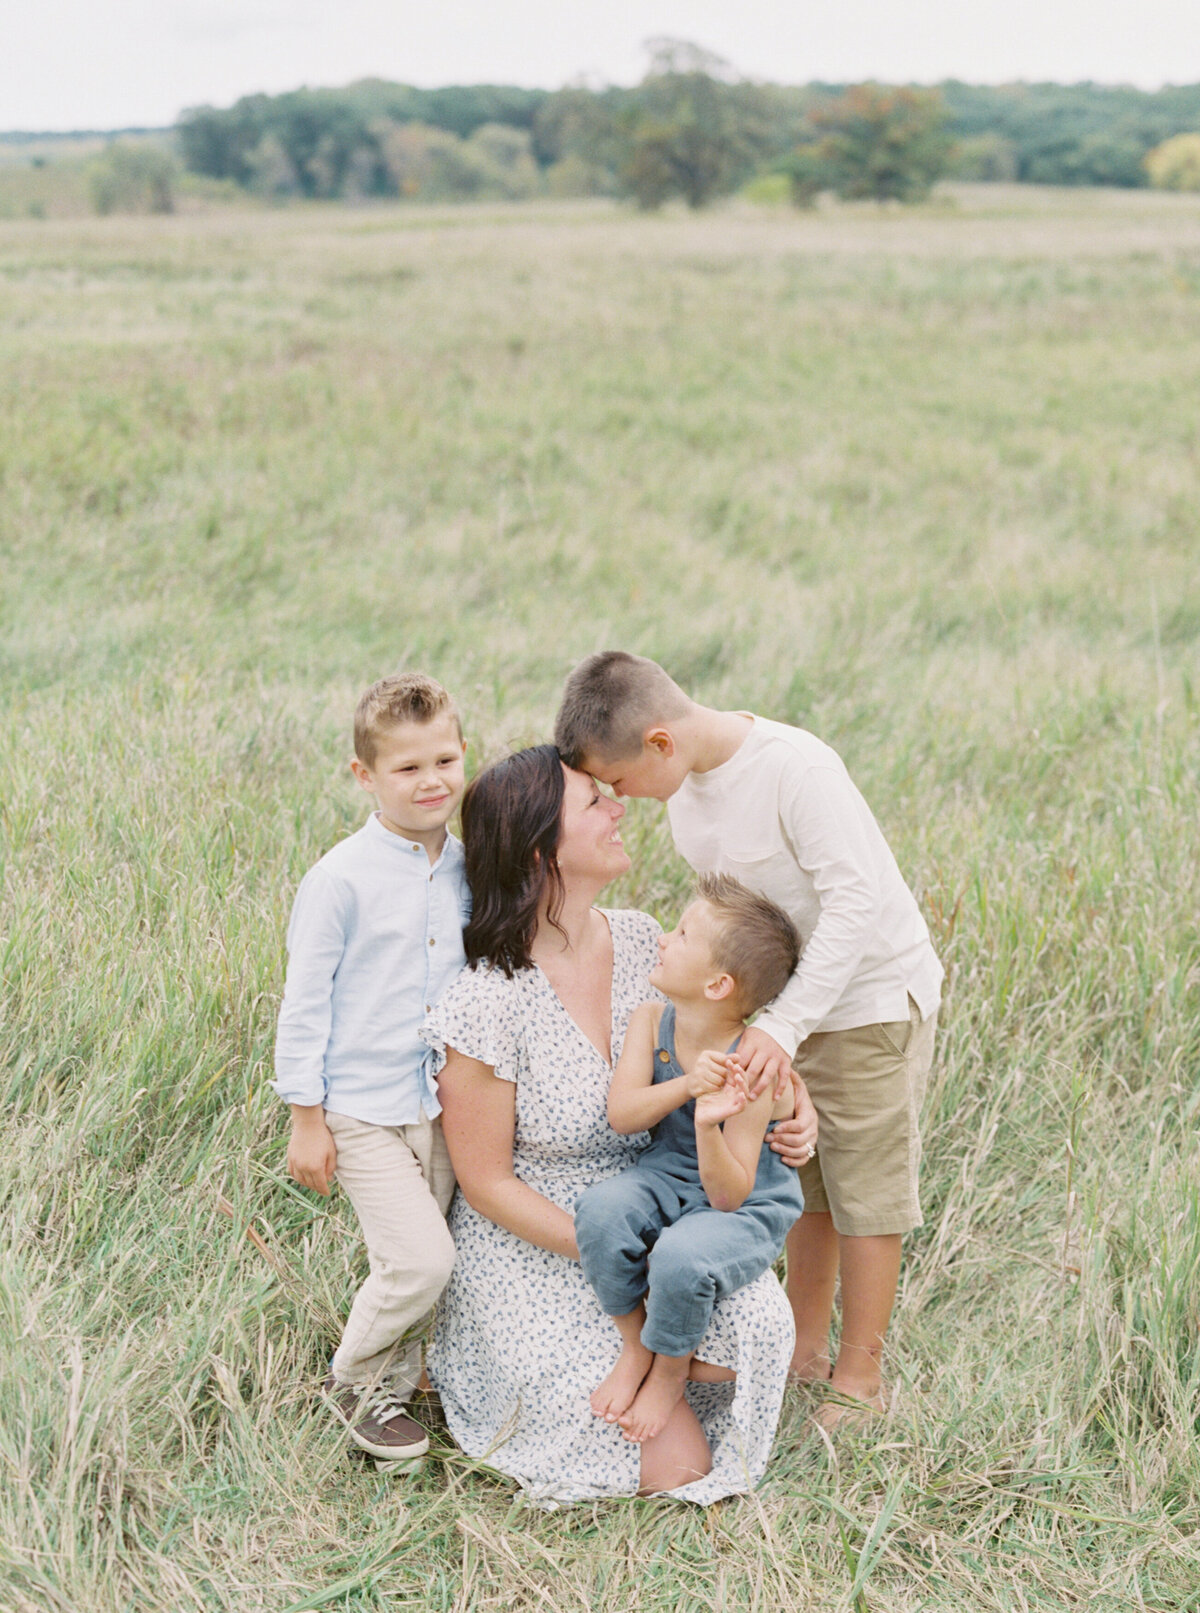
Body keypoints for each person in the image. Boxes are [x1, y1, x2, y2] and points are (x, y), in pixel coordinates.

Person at [555, 652, 943, 1426]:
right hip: (776, 1015)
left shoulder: (795, 768)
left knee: (864, 1186)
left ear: (660, 742)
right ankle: (803, 1348)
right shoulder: (687, 801)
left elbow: (855, 900)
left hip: (865, 1002)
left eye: (619, 779)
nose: (619, 799)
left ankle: (860, 1374)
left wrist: (785, 1026)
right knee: (804, 1180)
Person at [422, 746, 803, 1503]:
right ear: (541, 850)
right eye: (593, 802)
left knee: (757, 1322)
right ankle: (641, 1358)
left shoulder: (643, 940)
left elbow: (726, 1035)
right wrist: (615, 1249)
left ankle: (668, 1357)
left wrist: (790, 1102)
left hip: (662, 1194)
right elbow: (486, 1181)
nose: (618, 807)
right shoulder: (486, 997)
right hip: (537, 1235)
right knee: (676, 1462)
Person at [273, 672, 469, 1466]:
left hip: (442, 1101)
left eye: (446, 760)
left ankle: (410, 1376)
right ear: (365, 775)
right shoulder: (340, 878)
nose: (432, 781)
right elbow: (304, 1002)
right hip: (357, 1105)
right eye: (407, 767)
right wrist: (306, 1117)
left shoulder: (467, 866)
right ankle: (352, 1382)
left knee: (430, 1248)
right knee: (424, 1258)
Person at [575, 874, 806, 1444]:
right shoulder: (652, 1022)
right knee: (602, 1211)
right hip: (668, 1170)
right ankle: (635, 1344)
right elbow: (624, 1114)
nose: (663, 940)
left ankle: (671, 1371)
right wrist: (685, 1090)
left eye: (679, 935)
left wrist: (709, 1121)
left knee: (682, 1257)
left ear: (718, 984)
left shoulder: (753, 1066)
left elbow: (731, 1194)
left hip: (744, 1200)